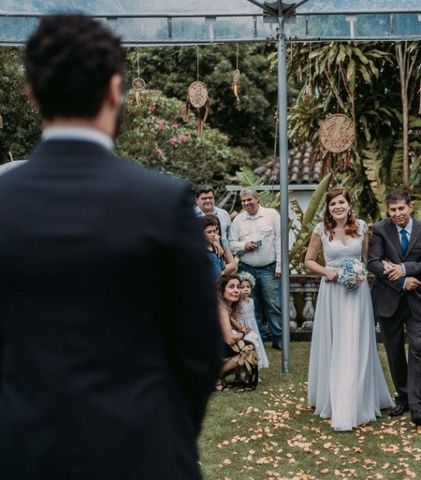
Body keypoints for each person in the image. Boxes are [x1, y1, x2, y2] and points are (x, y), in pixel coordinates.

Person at [0, 14, 222, 480]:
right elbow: (199, 351)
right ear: (115, 88)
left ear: (32, 93)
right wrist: (164, 432)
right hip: (143, 453)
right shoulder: (163, 202)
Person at [305, 188, 394, 431]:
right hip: (332, 292)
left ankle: (360, 399)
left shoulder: (362, 227)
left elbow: (368, 258)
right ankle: (335, 399)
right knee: (336, 342)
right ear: (328, 207)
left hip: (357, 293)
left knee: (356, 341)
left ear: (349, 204)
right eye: (333, 204)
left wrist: (384, 267)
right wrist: (327, 272)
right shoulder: (321, 230)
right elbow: (309, 260)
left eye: (342, 202)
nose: (338, 207)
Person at [368, 189, 421, 427]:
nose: (397, 213)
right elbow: (373, 263)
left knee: (419, 348)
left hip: (417, 301)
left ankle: (418, 408)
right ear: (387, 211)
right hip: (388, 300)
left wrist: (406, 268)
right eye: (393, 210)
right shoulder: (380, 230)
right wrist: (402, 280)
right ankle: (404, 397)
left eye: (401, 208)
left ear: (410, 207)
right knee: (394, 351)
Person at [230, 187, 283, 350]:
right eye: (243, 201)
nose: (247, 203)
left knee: (273, 304)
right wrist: (243, 245)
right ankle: (257, 337)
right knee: (251, 304)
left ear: (257, 199)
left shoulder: (272, 214)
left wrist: (280, 265)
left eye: (249, 200)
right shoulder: (238, 220)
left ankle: (279, 338)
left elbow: (280, 240)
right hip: (247, 268)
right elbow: (231, 244)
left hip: (269, 267)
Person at [216, 274, 259, 391]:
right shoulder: (221, 309)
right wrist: (242, 334)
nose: (236, 290)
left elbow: (231, 319)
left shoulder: (226, 306)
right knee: (247, 349)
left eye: (238, 287)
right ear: (222, 290)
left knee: (248, 347)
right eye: (231, 287)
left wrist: (240, 328)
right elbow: (229, 339)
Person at [237, 271, 269, 370]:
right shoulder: (237, 302)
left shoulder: (251, 301)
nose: (246, 289)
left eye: (248, 287)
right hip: (241, 327)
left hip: (252, 327)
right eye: (242, 287)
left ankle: (255, 368)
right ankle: (241, 371)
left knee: (255, 345)